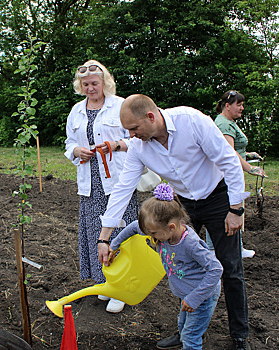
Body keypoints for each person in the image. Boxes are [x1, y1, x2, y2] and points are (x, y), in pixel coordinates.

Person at [97, 94, 252, 350]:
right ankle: (188, 332)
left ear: (151, 116)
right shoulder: (138, 146)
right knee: (179, 264)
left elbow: (228, 160)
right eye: (128, 131)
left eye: (134, 128)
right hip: (183, 206)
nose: (131, 135)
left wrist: (236, 209)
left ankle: (239, 336)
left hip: (217, 198)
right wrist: (105, 238)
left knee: (231, 268)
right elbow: (124, 189)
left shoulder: (191, 121)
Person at [108, 184, 223, 350]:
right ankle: (185, 337)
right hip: (187, 294)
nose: (150, 236)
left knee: (191, 337)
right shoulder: (163, 232)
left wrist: (194, 299)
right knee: (183, 325)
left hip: (202, 296)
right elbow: (134, 227)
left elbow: (216, 269)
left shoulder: (190, 244)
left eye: (153, 234)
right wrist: (114, 245)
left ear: (171, 227)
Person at [64, 60, 139, 313]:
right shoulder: (76, 110)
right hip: (90, 183)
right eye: (85, 84)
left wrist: (116, 144)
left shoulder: (121, 105)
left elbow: (137, 139)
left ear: (105, 83)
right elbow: (68, 143)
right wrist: (76, 150)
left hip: (118, 181)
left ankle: (125, 286)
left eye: (94, 83)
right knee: (97, 233)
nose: (90, 88)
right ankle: (106, 283)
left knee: (122, 233)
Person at [208, 90, 268, 259]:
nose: (242, 108)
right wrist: (250, 168)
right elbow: (230, 152)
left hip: (231, 172)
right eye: (239, 104)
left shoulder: (229, 122)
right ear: (227, 106)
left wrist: (248, 154)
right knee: (226, 210)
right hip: (225, 174)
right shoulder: (224, 124)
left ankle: (235, 248)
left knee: (232, 208)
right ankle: (215, 250)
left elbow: (235, 149)